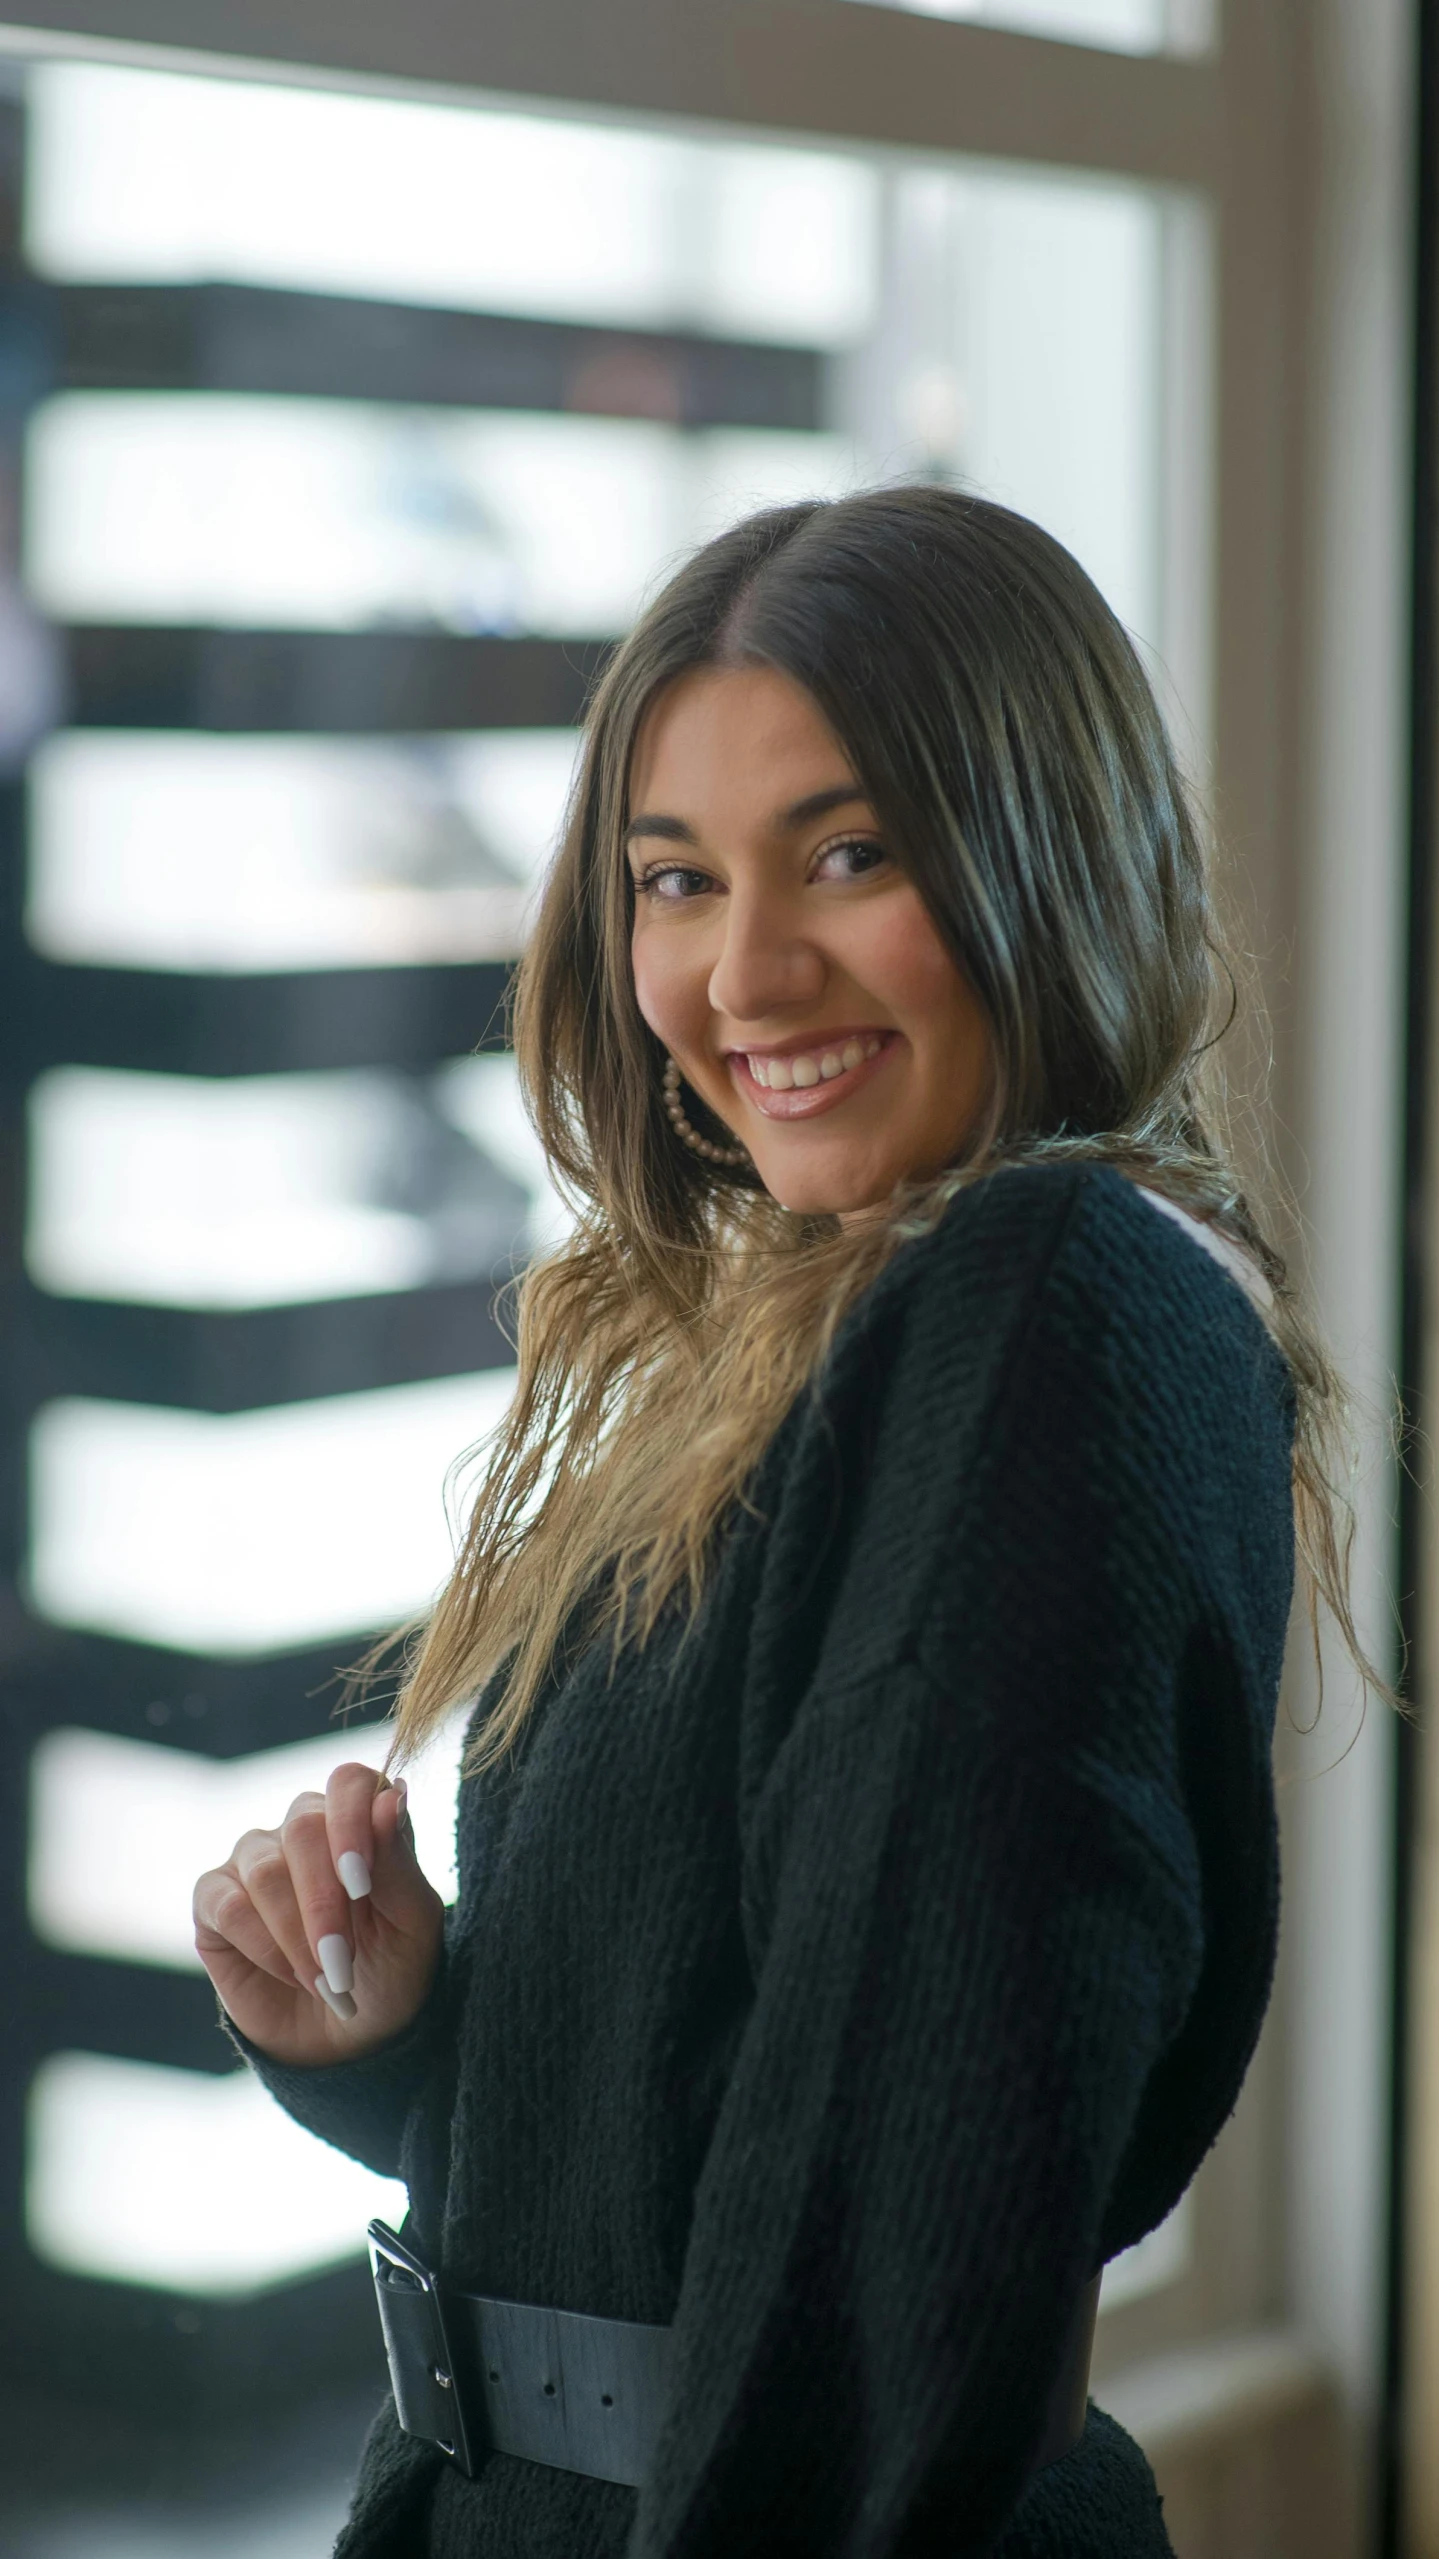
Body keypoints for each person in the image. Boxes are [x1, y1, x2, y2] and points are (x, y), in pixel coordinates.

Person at [193, 485, 1366, 2558]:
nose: (740, 970)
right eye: (672, 879)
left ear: (1040, 855)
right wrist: (415, 2040)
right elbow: (753, 2090)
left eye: (848, 854)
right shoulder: (811, 1340)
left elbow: (891, 2230)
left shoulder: (1048, 1301)